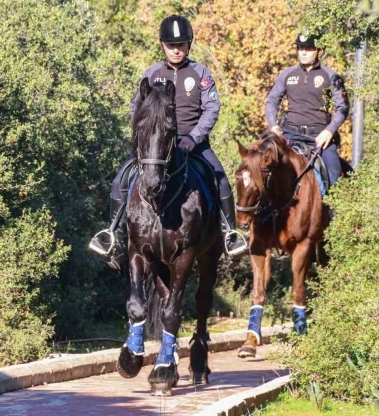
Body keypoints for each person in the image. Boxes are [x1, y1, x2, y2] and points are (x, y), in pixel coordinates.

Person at [89, 15, 248, 268]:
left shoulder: (200, 73)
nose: (177, 49)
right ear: (162, 45)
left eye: (182, 44)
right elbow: (136, 109)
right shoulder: (151, 74)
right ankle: (113, 236)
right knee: (121, 178)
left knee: (221, 180)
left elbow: (212, 109)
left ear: (189, 44)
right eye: (171, 45)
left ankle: (230, 236)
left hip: (193, 144)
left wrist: (194, 138)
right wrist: (145, 140)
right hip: (155, 148)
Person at [265, 33, 350, 186]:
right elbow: (272, 101)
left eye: (309, 48)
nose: (303, 52)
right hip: (289, 135)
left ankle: (333, 210)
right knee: (262, 168)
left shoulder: (331, 76)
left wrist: (329, 131)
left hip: (319, 138)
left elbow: (343, 107)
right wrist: (273, 126)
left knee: (334, 175)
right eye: (300, 48)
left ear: (319, 51)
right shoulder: (287, 74)